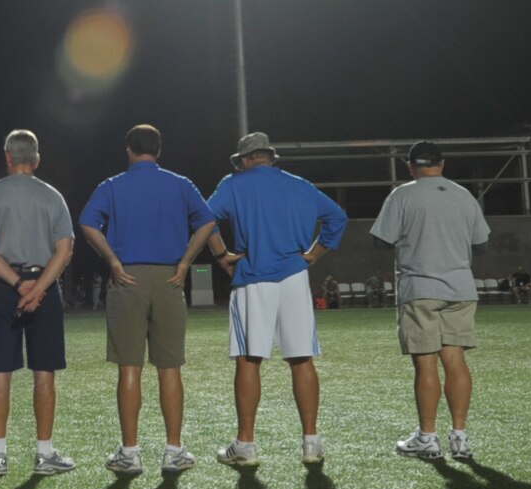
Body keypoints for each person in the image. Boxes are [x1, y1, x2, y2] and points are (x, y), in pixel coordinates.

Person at [78, 123, 218, 476]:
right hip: (170, 277)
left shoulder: (112, 185)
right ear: (159, 150)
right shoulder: (180, 183)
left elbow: (87, 223)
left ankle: (130, 452)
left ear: (128, 150)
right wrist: (186, 261)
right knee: (170, 368)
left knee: (130, 368)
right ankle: (174, 450)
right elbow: (207, 221)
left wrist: (111, 260)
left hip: (128, 279)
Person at [204, 132, 348, 467]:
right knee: (302, 359)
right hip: (295, 278)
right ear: (270, 156)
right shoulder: (299, 184)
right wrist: (314, 254)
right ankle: (312, 443)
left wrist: (222, 255)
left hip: (254, 277)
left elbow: (204, 218)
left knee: (248, 360)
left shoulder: (234, 183)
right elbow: (337, 217)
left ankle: (246, 445)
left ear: (244, 159)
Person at [371, 141, 490, 461]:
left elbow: (381, 239)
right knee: (455, 360)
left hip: (420, 287)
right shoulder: (464, 195)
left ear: (410, 166)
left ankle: (427, 437)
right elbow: (481, 244)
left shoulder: (403, 194)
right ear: (442, 164)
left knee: (425, 364)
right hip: (460, 288)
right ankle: (460, 438)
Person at [0, 130, 77, 477]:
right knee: (44, 372)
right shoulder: (53, 196)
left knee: (0, 371)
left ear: (8, 157)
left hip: (2, 288)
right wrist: (38, 288)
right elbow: (65, 250)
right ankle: (44, 454)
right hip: (44, 289)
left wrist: (18, 285)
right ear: (36, 159)